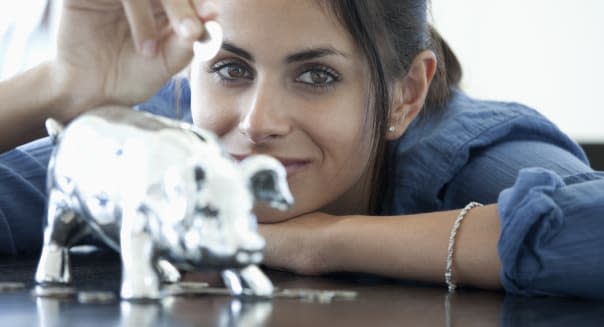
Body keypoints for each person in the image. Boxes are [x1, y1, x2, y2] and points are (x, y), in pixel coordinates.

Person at [1, 0, 603, 299]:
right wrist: (60, 85)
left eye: (316, 76)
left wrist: (321, 240)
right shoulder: (167, 138)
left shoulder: (484, 158)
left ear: (405, 94)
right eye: (231, 68)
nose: (258, 123)